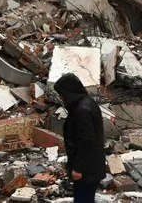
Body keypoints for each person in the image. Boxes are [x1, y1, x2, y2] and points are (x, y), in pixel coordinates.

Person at [54, 74, 106, 203]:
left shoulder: (82, 110)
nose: (61, 97)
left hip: (87, 170)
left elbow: (86, 142)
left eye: (61, 94)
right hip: (91, 166)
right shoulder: (86, 102)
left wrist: (78, 168)